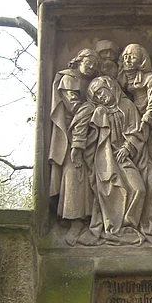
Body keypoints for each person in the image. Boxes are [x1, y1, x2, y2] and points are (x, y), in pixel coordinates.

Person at [69, 76, 148, 245]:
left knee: (139, 189)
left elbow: (138, 131)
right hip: (104, 158)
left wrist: (127, 147)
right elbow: (81, 127)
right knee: (108, 191)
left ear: (110, 87)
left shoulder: (127, 106)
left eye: (101, 92)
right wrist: (78, 146)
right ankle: (112, 229)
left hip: (124, 156)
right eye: (96, 96)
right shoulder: (98, 111)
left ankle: (128, 226)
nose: (100, 97)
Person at [118, 43, 152, 240]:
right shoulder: (121, 78)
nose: (128, 60)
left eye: (132, 57)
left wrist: (146, 121)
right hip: (128, 127)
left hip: (150, 127)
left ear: (141, 59)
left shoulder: (149, 79)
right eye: (125, 56)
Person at [49, 48, 100, 244]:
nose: (92, 66)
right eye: (89, 62)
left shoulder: (91, 81)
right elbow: (75, 106)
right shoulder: (69, 78)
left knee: (89, 177)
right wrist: (95, 109)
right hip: (71, 134)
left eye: (95, 64)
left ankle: (88, 218)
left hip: (90, 132)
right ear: (79, 61)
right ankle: (74, 221)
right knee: (73, 174)